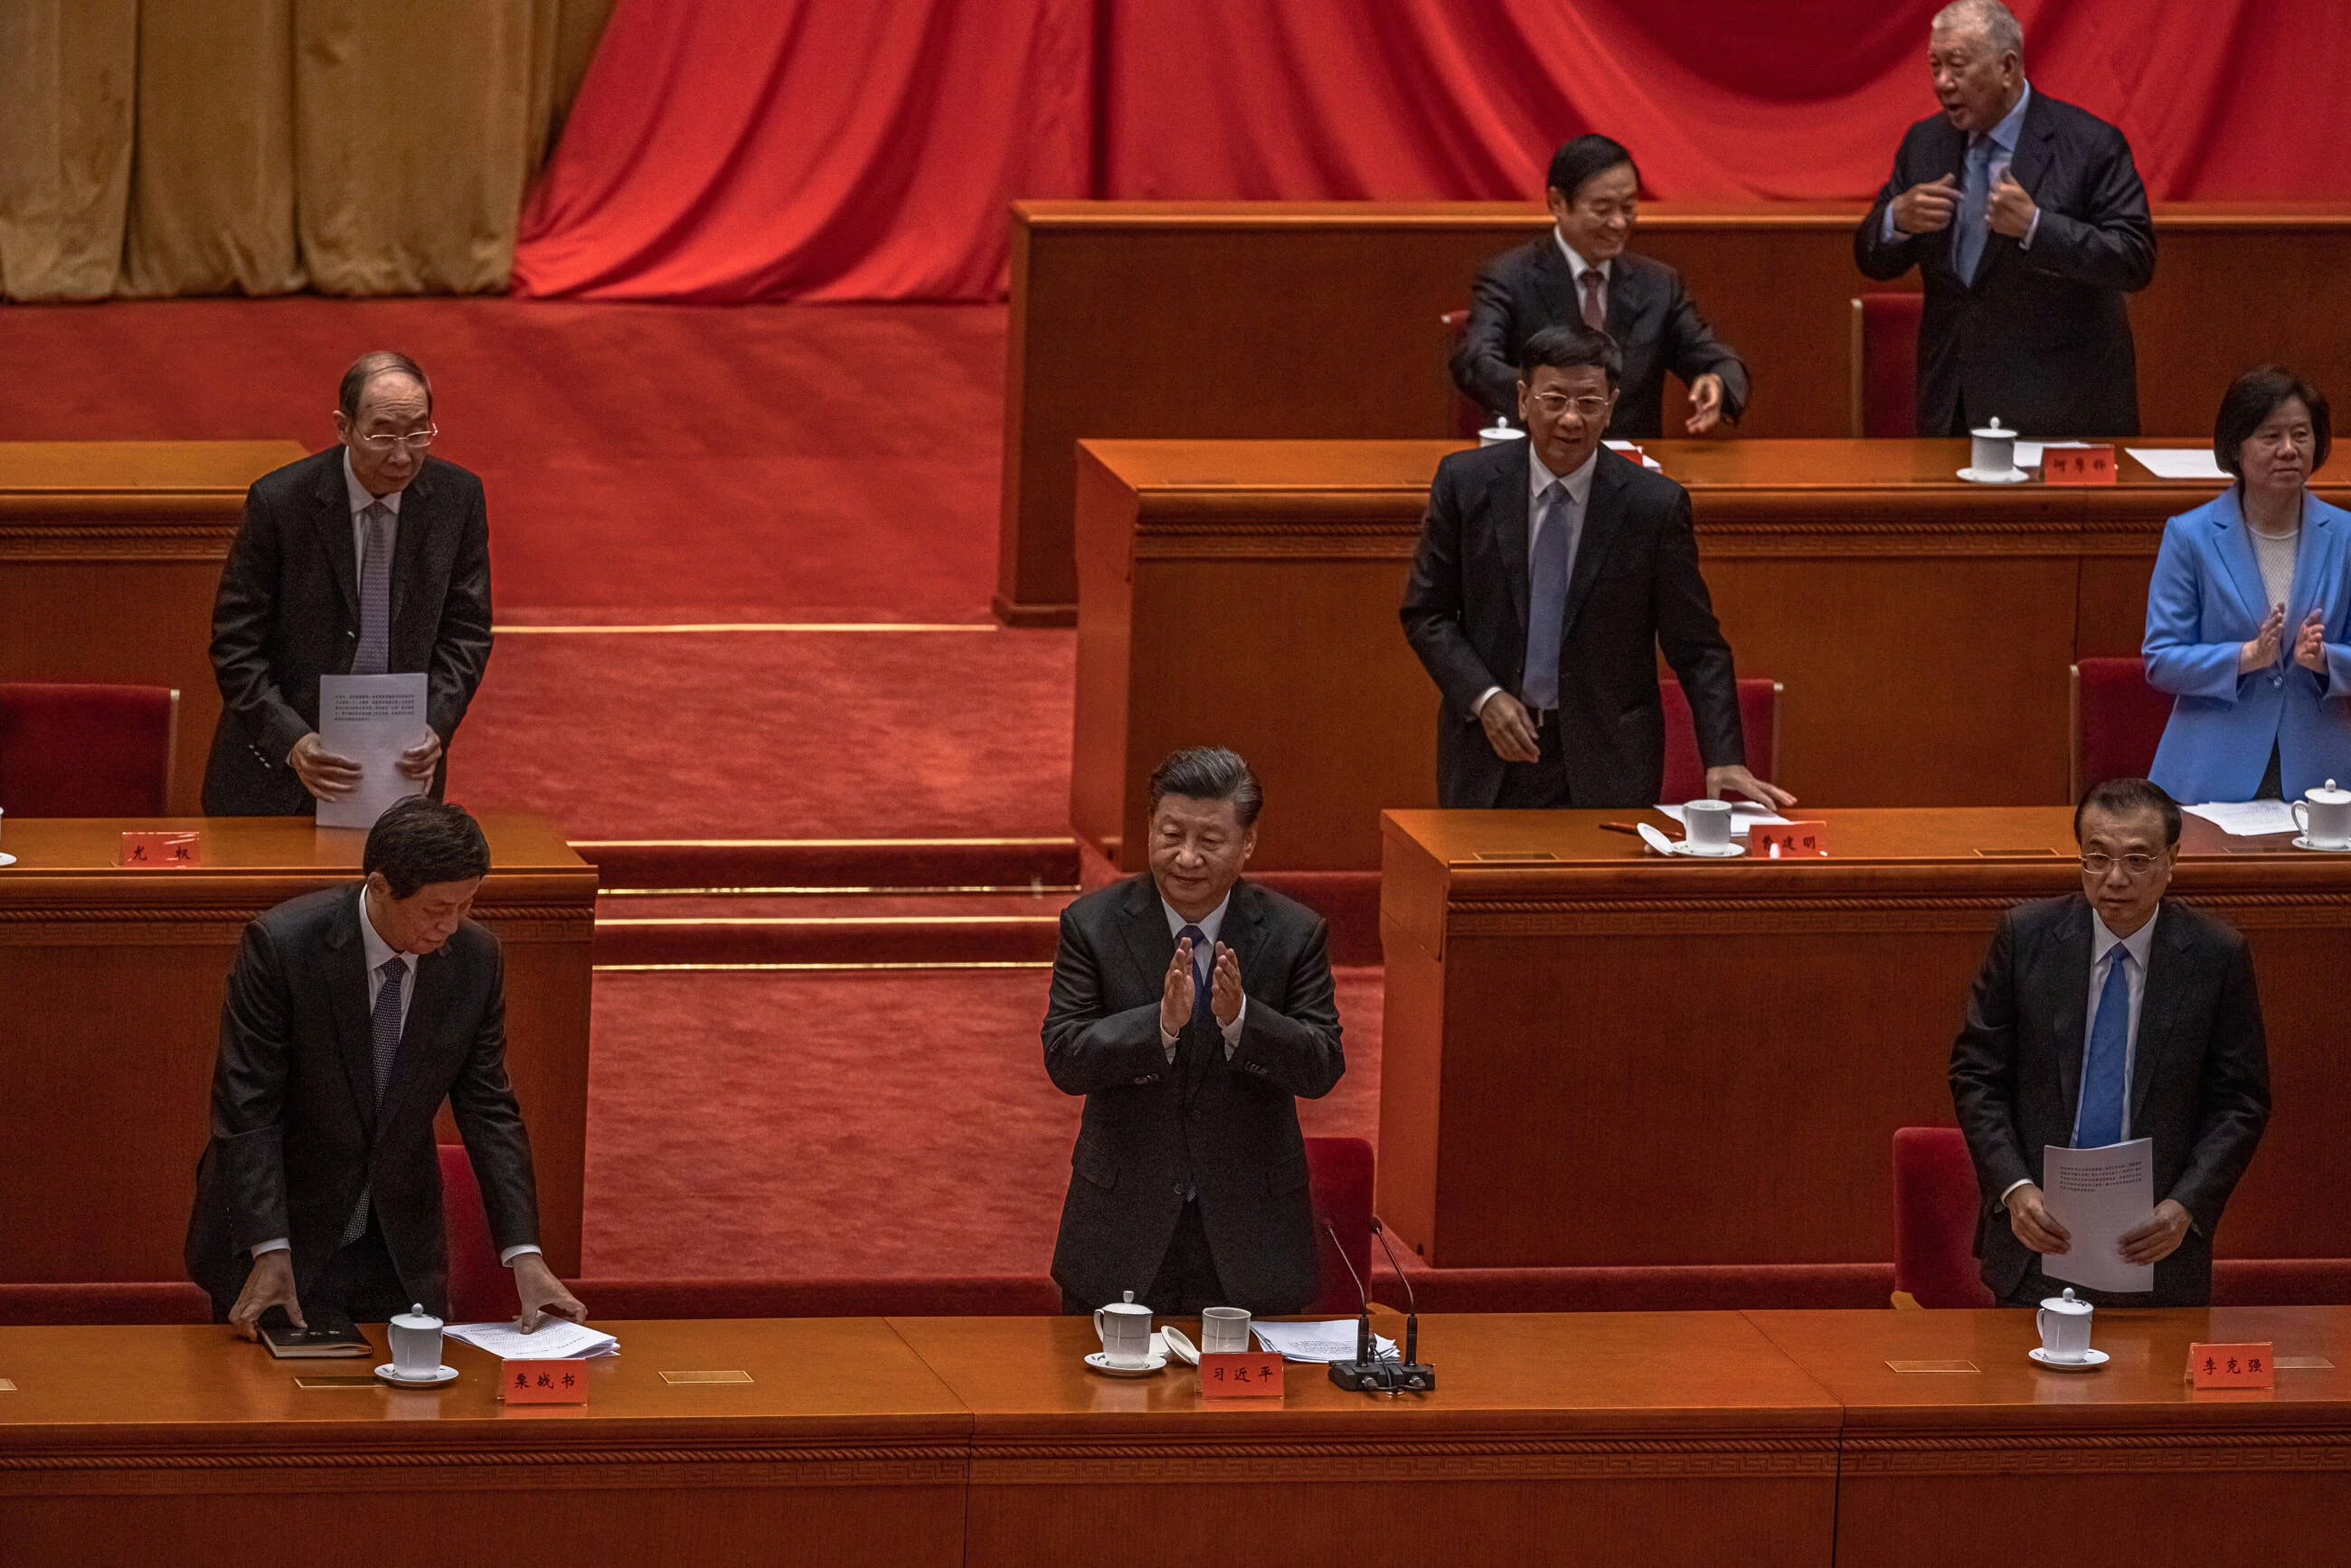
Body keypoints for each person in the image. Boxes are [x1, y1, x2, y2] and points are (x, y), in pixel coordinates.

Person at [185, 798, 584, 1333]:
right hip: (280, 1235)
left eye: (466, 905)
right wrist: (269, 1245)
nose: (450, 925)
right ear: (378, 884)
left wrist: (524, 1251)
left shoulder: (474, 959)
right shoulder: (284, 947)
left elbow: (489, 1108)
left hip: (398, 1245)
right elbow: (246, 1105)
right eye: (435, 908)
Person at [1402, 322, 1793, 811]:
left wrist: (1723, 756)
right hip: (1489, 748)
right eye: (1554, 400)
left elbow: (1696, 646)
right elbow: (1427, 613)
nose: (1570, 420)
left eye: (1588, 403)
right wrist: (1483, 696)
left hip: (1608, 760)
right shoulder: (1466, 483)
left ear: (1610, 408)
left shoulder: (1653, 506)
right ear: (1524, 400)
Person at [1043, 748, 1345, 1316]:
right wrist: (1159, 1026)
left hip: (1250, 1239)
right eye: (1171, 834)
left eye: (1209, 841)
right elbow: (1065, 1057)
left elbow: (1321, 1065)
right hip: (1122, 1231)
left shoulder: (1293, 933)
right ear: (1150, 828)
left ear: (1247, 842)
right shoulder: (1093, 925)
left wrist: (1241, 1022)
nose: (1186, 858)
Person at [1950, 778, 2270, 1308]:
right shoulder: (2027, 937)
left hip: (2157, 1240)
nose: (2114, 879)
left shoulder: (2216, 956)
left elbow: (2242, 1101)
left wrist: (2186, 1205)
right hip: (2039, 1236)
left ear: (2172, 861)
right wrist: (2014, 1189)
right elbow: (1976, 1074)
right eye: (2097, 858)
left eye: (2137, 860)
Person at [203, 351, 494, 815]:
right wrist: (292, 741)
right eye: (382, 434)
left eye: (418, 433)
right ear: (343, 428)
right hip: (278, 772)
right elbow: (236, 644)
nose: (402, 455)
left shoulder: (457, 499)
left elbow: (467, 631)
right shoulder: (280, 503)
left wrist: (436, 724)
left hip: (399, 767)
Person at [1853, 0, 2154, 437]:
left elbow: (2133, 259)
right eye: (1934, 66)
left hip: (2059, 411)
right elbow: (1872, 259)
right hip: (1951, 407)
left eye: (1957, 66)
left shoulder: (2089, 146)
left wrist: (2037, 226)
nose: (1942, 83)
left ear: (2008, 67)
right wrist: (1895, 220)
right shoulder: (1925, 143)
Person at [1453, 134, 1749, 440]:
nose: (1619, 223)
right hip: (1536, 459)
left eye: (1628, 207)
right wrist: (1550, 396)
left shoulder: (1658, 284)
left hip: (1632, 470)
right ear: (1557, 203)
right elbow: (1475, 361)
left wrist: (1716, 381)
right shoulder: (1509, 276)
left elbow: (1714, 357)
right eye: (1603, 209)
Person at [2146, 368, 2351, 802]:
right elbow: (2161, 660)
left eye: (2301, 434)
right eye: (2269, 436)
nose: (2289, 450)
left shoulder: (2346, 536)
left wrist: (2325, 660)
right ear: (2235, 447)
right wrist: (2245, 656)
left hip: (2323, 772)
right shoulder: (2191, 536)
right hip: (2210, 768)